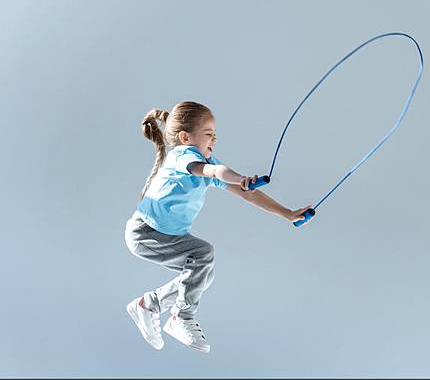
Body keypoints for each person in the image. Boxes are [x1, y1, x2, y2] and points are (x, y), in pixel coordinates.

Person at [124, 101, 312, 352]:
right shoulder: (182, 156)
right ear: (185, 137)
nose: (214, 139)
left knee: (202, 274)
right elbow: (214, 171)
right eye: (209, 134)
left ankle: (150, 304)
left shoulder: (204, 161)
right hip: (146, 233)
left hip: (165, 235)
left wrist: (287, 213)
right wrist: (239, 178)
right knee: (203, 256)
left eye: (214, 135)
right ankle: (181, 317)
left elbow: (247, 194)